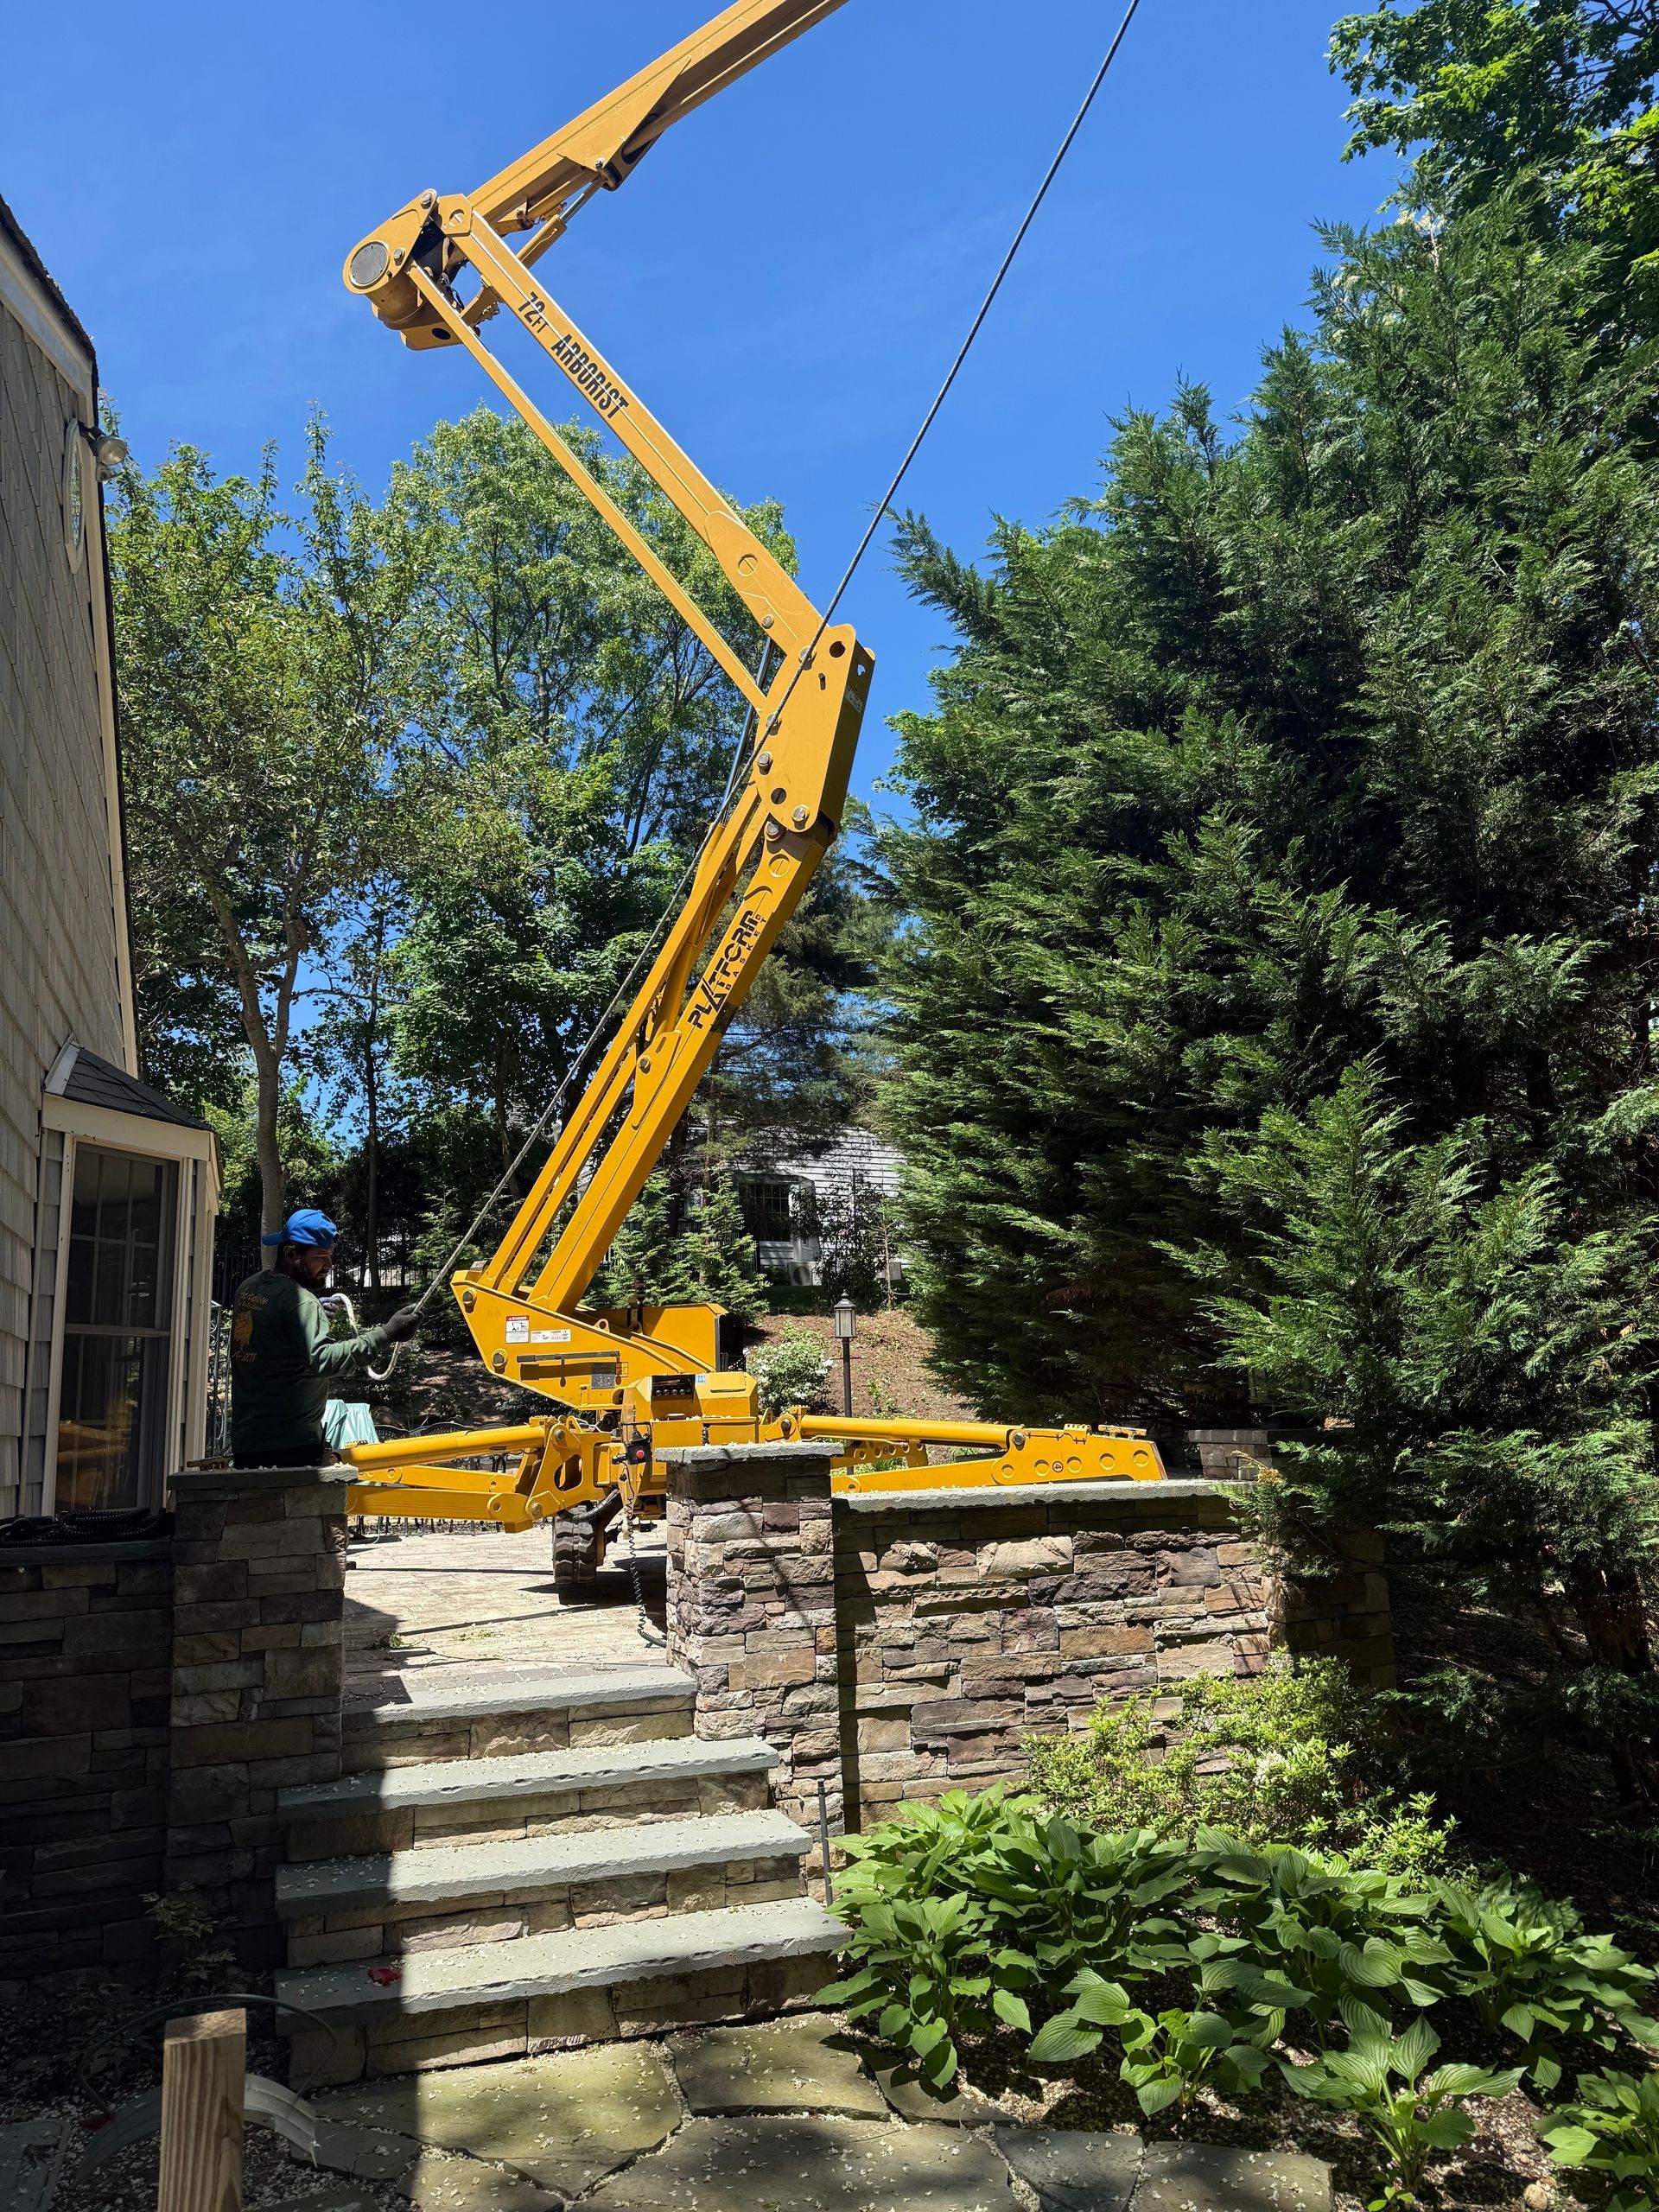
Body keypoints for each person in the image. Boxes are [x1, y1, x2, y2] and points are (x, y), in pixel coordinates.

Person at [229, 1210, 420, 1469]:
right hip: (289, 1449)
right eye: (320, 1257)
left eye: (330, 1255)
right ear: (291, 1254)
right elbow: (323, 1360)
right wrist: (386, 1334)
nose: (329, 1265)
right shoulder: (301, 1305)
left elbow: (267, 1338)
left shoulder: (249, 1288)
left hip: (247, 1444)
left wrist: (305, 1315)